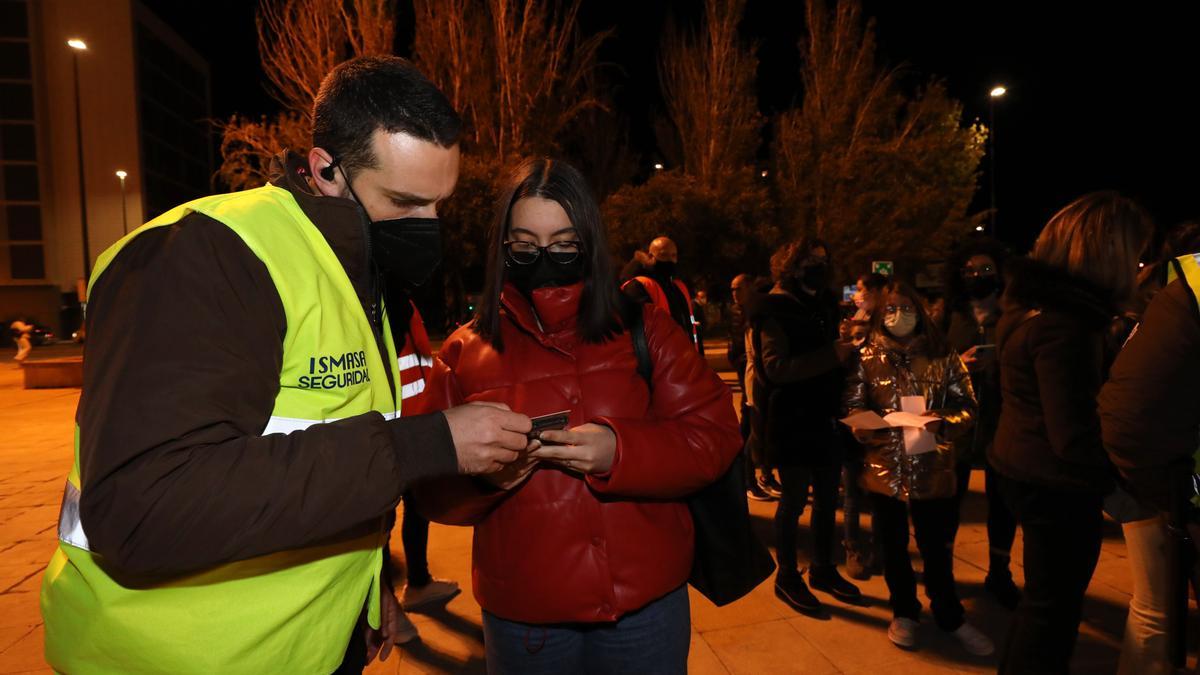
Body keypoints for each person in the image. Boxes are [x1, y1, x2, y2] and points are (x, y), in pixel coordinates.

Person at [40, 56, 534, 674]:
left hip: (308, 649)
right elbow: (144, 504)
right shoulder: (205, 255)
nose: (428, 227)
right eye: (406, 202)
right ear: (327, 169)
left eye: (439, 205)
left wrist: (360, 582)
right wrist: (425, 445)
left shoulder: (353, 270)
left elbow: (320, 450)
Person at [414, 158, 741, 674]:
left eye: (564, 243)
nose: (545, 258)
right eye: (525, 245)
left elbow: (716, 434)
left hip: (644, 608)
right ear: (504, 248)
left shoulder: (644, 327)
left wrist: (620, 450)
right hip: (526, 621)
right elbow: (426, 487)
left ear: (588, 241)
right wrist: (486, 480)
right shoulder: (463, 352)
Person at [990, 191, 1152, 674]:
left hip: (1024, 469)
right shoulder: (1068, 323)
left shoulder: (1033, 308)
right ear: (1107, 254)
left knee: (1041, 606)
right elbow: (1074, 436)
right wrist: (1124, 482)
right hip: (1054, 485)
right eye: (1134, 252)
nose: (1140, 265)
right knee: (1051, 616)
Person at [842, 279, 993, 655]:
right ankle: (904, 611)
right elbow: (853, 408)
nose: (899, 316)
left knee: (937, 546)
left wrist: (942, 421)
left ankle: (948, 613)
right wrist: (869, 426)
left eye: (907, 308)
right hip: (884, 469)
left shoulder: (944, 357)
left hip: (933, 467)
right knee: (893, 546)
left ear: (921, 313)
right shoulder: (866, 359)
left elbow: (968, 407)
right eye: (891, 309)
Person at [1100, 229, 1200, 675]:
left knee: (1154, 607)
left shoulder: (1171, 299)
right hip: (1163, 483)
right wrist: (1170, 493)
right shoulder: (1180, 299)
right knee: (1156, 609)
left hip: (1160, 481)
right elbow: (1127, 417)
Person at [750, 238, 861, 616]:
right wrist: (831, 355)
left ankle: (823, 568)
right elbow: (776, 369)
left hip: (826, 416)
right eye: (811, 261)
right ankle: (787, 576)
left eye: (824, 260)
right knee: (794, 501)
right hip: (792, 420)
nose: (820, 266)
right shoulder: (774, 308)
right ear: (792, 266)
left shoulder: (822, 303)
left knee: (828, 499)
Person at [943, 238, 1020, 609]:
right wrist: (957, 365)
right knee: (947, 502)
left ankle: (999, 572)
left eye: (986, 269)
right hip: (957, 426)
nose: (977, 276)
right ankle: (942, 571)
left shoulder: (1014, 315)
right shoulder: (948, 315)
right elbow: (926, 365)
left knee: (1002, 504)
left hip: (1001, 424)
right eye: (970, 271)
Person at [382, 293, 463, 643]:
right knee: (390, 517)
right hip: (401, 424)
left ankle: (415, 584)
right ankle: (385, 609)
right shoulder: (383, 295)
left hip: (402, 422)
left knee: (407, 509)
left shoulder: (387, 293)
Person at [841, 271, 888, 579]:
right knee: (852, 489)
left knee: (882, 489)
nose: (856, 295)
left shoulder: (889, 322)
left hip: (882, 413)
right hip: (855, 412)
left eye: (860, 290)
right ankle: (852, 546)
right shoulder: (854, 320)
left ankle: (880, 546)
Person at [730, 274, 774, 502]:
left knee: (759, 432)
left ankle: (763, 476)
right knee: (750, 433)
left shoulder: (753, 314)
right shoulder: (743, 316)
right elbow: (740, 352)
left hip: (755, 383)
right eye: (733, 289)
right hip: (751, 383)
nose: (734, 294)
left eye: (738, 289)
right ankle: (747, 481)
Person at [622, 236, 702, 351]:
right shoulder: (638, 286)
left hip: (684, 359)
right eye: (664, 255)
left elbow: (689, 327)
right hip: (659, 362)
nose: (670, 260)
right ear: (650, 257)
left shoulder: (677, 286)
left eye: (673, 256)